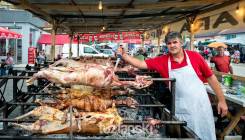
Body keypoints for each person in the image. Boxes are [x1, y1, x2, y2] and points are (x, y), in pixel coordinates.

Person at [117, 31, 228, 140]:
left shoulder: (195, 56)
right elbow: (141, 64)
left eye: (175, 42)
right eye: (169, 43)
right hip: (183, 110)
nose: (172, 45)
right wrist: (124, 56)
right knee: (187, 136)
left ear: (181, 43)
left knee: (206, 135)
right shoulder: (163, 60)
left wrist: (221, 100)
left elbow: (211, 78)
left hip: (201, 107)